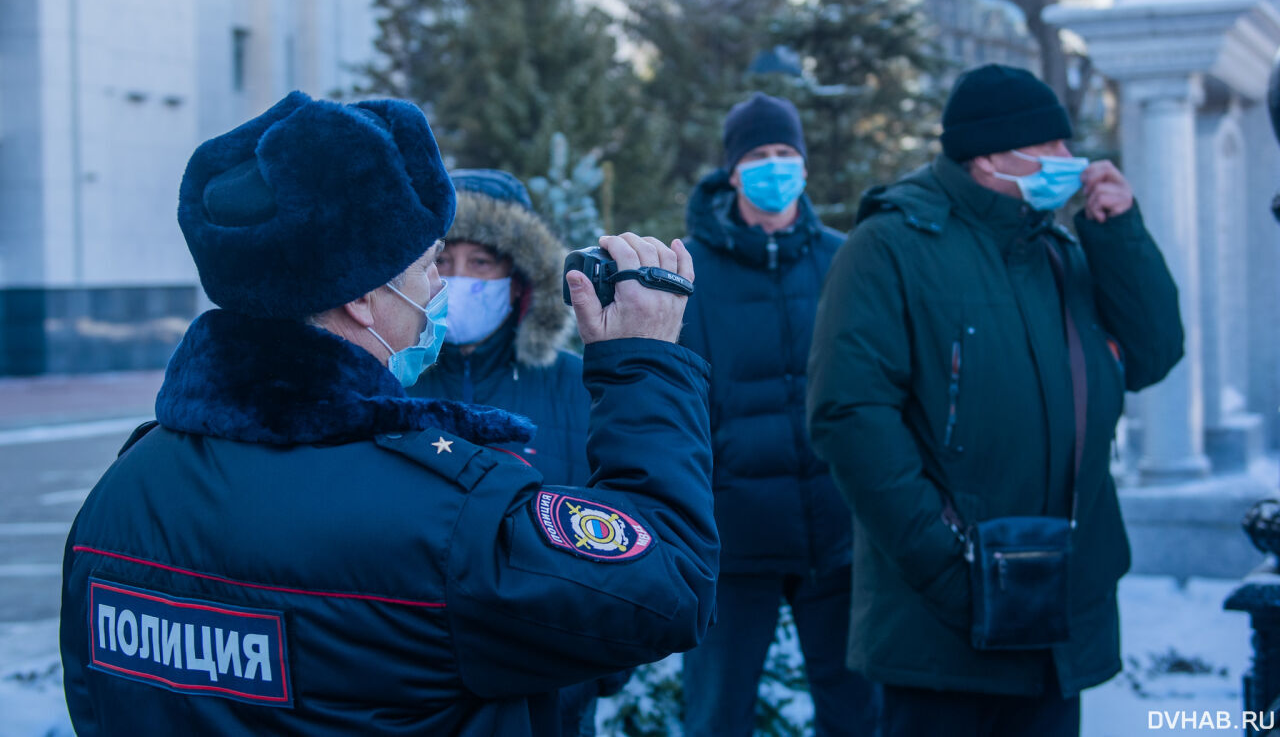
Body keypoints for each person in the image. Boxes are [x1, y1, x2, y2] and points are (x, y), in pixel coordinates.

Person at [59, 91, 717, 736]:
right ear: (363, 299)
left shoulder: (120, 497)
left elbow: (94, 701)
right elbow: (672, 582)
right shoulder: (445, 519)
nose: (440, 288)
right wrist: (645, 361)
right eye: (431, 263)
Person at [807, 64, 1184, 737]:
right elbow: (850, 414)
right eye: (1051, 147)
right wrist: (950, 568)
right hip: (941, 630)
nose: (1071, 162)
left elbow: (1153, 353)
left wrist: (1119, 231)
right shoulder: (890, 246)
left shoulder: (1058, 250)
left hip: (1053, 615)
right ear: (988, 156)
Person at [678, 93, 879, 737]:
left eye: (786, 154)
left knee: (856, 711)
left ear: (805, 164)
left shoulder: (843, 258)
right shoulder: (689, 270)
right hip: (732, 540)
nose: (774, 167)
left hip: (837, 531)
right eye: (759, 155)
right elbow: (675, 403)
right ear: (733, 170)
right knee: (717, 714)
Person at [409, 168, 626, 734]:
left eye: (480, 263)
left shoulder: (578, 386)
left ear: (519, 277)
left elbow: (616, 526)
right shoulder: (387, 385)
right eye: (443, 262)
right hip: (411, 677)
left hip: (551, 682)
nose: (459, 280)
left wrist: (603, 660)